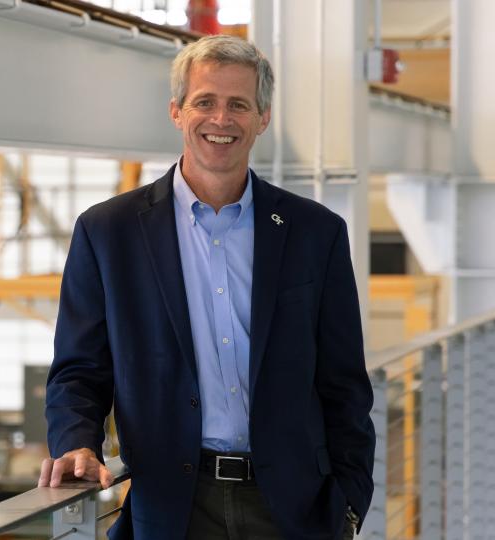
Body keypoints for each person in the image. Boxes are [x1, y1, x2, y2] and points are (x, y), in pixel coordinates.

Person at [38, 35, 375, 540]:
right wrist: (76, 442)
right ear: (176, 111)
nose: (221, 119)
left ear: (262, 118)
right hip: (171, 505)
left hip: (295, 509)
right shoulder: (108, 232)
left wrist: (349, 503)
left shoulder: (315, 232)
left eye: (239, 104)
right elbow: (79, 369)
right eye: (205, 102)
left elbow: (343, 380)